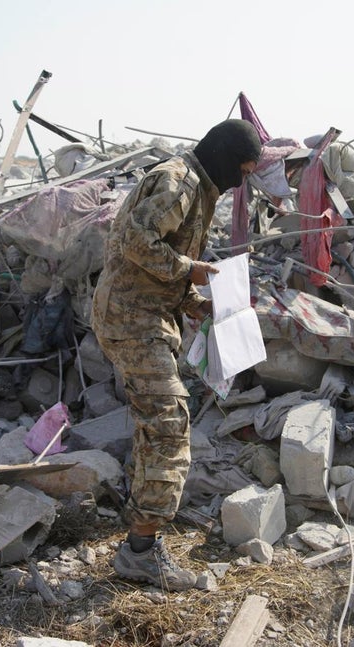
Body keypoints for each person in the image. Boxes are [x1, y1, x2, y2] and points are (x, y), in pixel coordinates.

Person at [91, 119, 261, 590]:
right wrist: (193, 271)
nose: (242, 181)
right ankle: (141, 552)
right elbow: (135, 243)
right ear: (225, 159)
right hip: (132, 320)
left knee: (155, 422)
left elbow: (157, 259)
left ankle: (139, 527)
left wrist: (198, 303)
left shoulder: (196, 185)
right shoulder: (179, 182)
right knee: (169, 424)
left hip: (144, 315)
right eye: (243, 171)